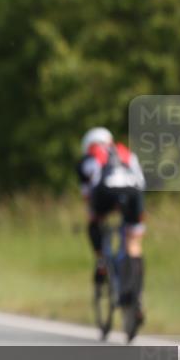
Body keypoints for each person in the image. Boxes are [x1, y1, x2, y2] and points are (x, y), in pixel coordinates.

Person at [76, 127, 147, 322]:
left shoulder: (90, 157)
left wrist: (99, 214)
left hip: (105, 193)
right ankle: (136, 296)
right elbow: (141, 182)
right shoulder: (127, 153)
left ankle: (101, 260)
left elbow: (88, 194)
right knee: (133, 244)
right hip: (133, 193)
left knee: (94, 221)